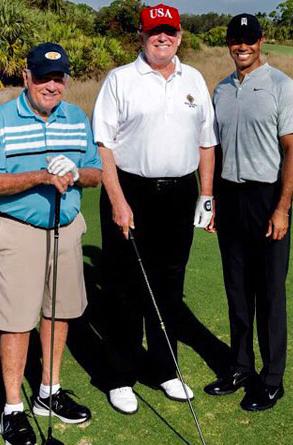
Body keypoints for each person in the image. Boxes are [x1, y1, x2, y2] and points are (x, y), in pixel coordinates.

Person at [92, 3, 218, 414]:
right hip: (131, 190)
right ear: (141, 38)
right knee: (126, 286)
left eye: (169, 32)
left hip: (181, 192)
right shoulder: (120, 80)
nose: (162, 38)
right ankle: (120, 376)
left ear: (179, 36)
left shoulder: (194, 79)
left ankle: (166, 370)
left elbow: (206, 142)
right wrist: (117, 200)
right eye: (154, 33)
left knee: (169, 285)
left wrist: (206, 195)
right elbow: (104, 145)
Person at [0, 42, 102, 444]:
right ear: (26, 76)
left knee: (58, 312)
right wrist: (42, 175)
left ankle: (49, 392)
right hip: (19, 230)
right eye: (43, 77)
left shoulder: (78, 118)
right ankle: (13, 408)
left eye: (59, 76)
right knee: (16, 322)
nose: (52, 85)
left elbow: (97, 172)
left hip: (66, 229)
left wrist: (77, 173)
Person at [205, 13, 293, 412]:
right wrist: (210, 199)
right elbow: (213, 149)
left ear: (261, 41)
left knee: (269, 294)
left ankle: (271, 379)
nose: (242, 46)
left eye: (249, 39)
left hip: (268, 198)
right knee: (237, 291)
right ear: (229, 44)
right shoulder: (222, 89)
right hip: (231, 198)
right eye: (235, 40)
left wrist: (282, 208)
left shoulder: (282, 86)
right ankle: (240, 368)